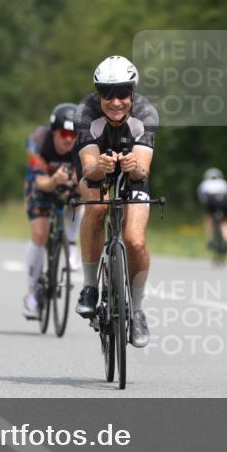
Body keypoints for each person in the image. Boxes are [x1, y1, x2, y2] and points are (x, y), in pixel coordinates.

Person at [73, 55, 158, 348]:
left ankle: (136, 311)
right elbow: (88, 167)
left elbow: (144, 170)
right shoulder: (85, 113)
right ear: (98, 94)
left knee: (134, 241)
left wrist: (134, 166)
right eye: (107, 94)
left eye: (122, 92)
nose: (115, 101)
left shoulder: (146, 114)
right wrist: (101, 167)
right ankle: (89, 287)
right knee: (95, 207)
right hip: (98, 170)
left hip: (133, 175)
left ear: (132, 92)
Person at [21, 103, 83, 319]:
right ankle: (31, 293)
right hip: (42, 182)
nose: (69, 139)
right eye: (64, 134)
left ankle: (71, 245)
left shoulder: (82, 142)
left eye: (73, 134)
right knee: (40, 233)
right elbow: (39, 181)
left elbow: (85, 178)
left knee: (82, 196)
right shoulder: (37, 142)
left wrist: (74, 179)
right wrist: (54, 180)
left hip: (67, 180)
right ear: (54, 132)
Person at [197, 168, 227, 253]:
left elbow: (202, 197)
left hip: (212, 200)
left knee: (209, 218)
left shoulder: (204, 184)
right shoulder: (224, 183)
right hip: (225, 201)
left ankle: (210, 239)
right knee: (225, 222)